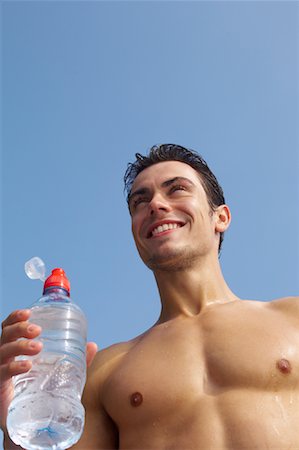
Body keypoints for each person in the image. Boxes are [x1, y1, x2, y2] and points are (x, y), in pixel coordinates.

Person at [1, 143, 299, 449]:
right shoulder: (106, 370)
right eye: (139, 202)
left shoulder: (293, 319)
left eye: (177, 189)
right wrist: (17, 423)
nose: (155, 204)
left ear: (220, 217)